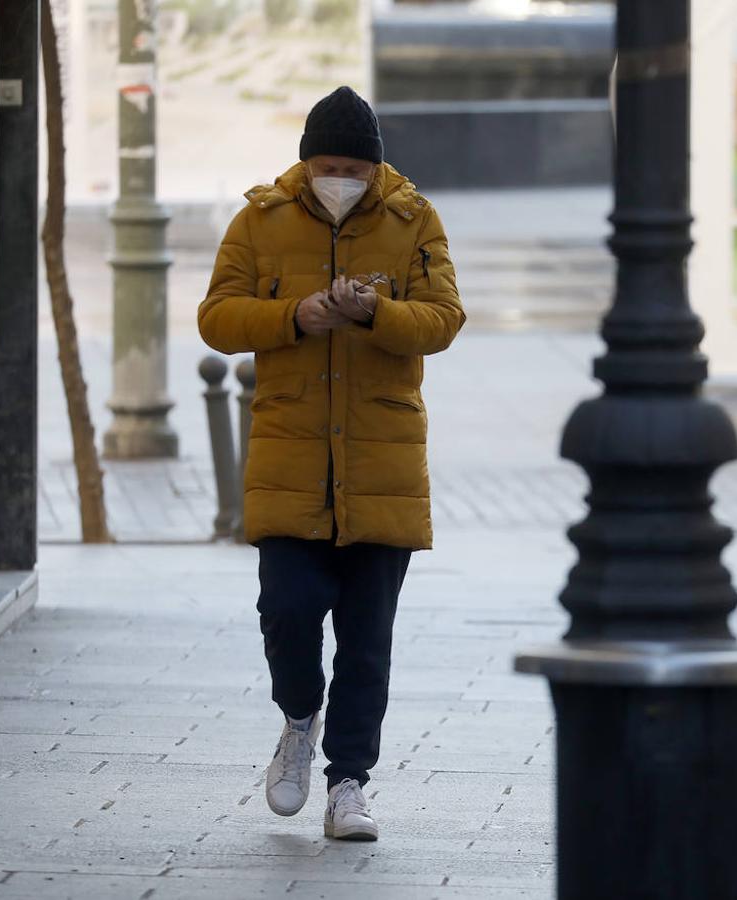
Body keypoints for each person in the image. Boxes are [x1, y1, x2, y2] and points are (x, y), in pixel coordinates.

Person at [198, 86, 465, 841]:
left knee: (367, 638)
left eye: (352, 166)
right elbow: (217, 316)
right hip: (290, 460)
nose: (338, 177)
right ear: (305, 163)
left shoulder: (415, 221)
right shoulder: (261, 220)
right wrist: (296, 315)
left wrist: (374, 313)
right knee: (285, 610)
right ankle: (296, 716)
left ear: (375, 168)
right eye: (326, 165)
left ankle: (349, 783)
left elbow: (444, 320)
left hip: (382, 465)